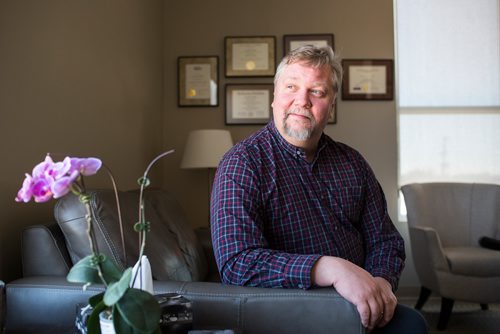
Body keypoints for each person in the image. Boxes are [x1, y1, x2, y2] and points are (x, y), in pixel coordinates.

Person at [210, 45, 427, 333]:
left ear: (331, 105)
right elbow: (237, 263)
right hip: (290, 314)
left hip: (362, 308)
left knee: (413, 326)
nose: (302, 100)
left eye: (317, 92)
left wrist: (380, 284)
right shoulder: (242, 164)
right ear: (274, 97)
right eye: (291, 87)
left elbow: (386, 241)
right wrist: (329, 268)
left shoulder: (352, 162)